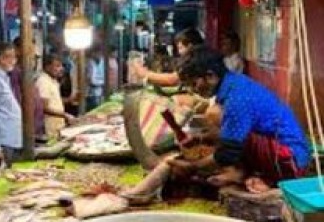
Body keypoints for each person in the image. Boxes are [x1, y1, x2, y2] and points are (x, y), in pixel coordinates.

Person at [121, 46, 310, 202]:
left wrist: (194, 166)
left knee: (226, 129)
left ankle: (247, 175)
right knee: (229, 129)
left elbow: (228, 152)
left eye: (194, 84)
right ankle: (241, 173)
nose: (193, 90)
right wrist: (202, 138)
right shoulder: (234, 85)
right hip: (280, 152)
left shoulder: (237, 99)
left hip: (290, 161)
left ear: (210, 76)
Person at [134, 27, 204, 87]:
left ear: (190, 46)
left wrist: (145, 73)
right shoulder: (198, 56)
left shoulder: (195, 59)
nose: (179, 52)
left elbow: (172, 79)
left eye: (181, 48)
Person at [10, 36, 46, 141]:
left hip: (37, 131)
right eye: (30, 53)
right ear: (17, 51)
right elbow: (17, 103)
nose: (33, 58)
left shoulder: (28, 74)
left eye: (35, 56)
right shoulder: (14, 74)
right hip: (24, 134)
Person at [36, 54, 75, 140]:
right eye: (57, 66)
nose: (61, 69)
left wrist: (68, 100)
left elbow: (53, 100)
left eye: (61, 66)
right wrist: (65, 115)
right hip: (49, 127)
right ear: (47, 67)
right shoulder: (43, 81)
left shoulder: (53, 80)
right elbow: (44, 107)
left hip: (57, 125)